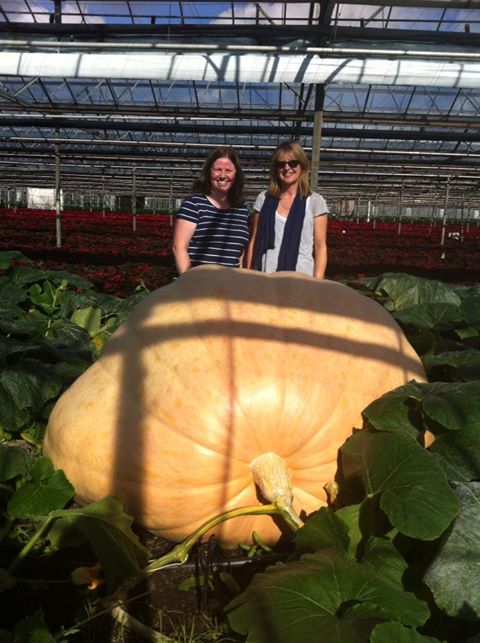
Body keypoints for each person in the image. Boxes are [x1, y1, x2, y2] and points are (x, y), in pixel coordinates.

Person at [247, 140, 328, 278]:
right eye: (281, 164)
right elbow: (254, 240)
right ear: (275, 168)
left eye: (292, 163)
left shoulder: (315, 201)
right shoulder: (264, 199)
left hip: (301, 280)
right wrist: (248, 275)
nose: (287, 168)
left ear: (301, 166)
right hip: (266, 276)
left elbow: (320, 247)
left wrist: (318, 282)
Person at [172, 146, 250, 274]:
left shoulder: (241, 210)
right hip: (198, 286)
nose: (223, 175)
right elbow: (179, 247)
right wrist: (190, 280)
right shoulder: (193, 204)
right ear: (209, 172)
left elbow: (240, 254)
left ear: (236, 174)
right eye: (218, 170)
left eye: (228, 170)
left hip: (229, 287)